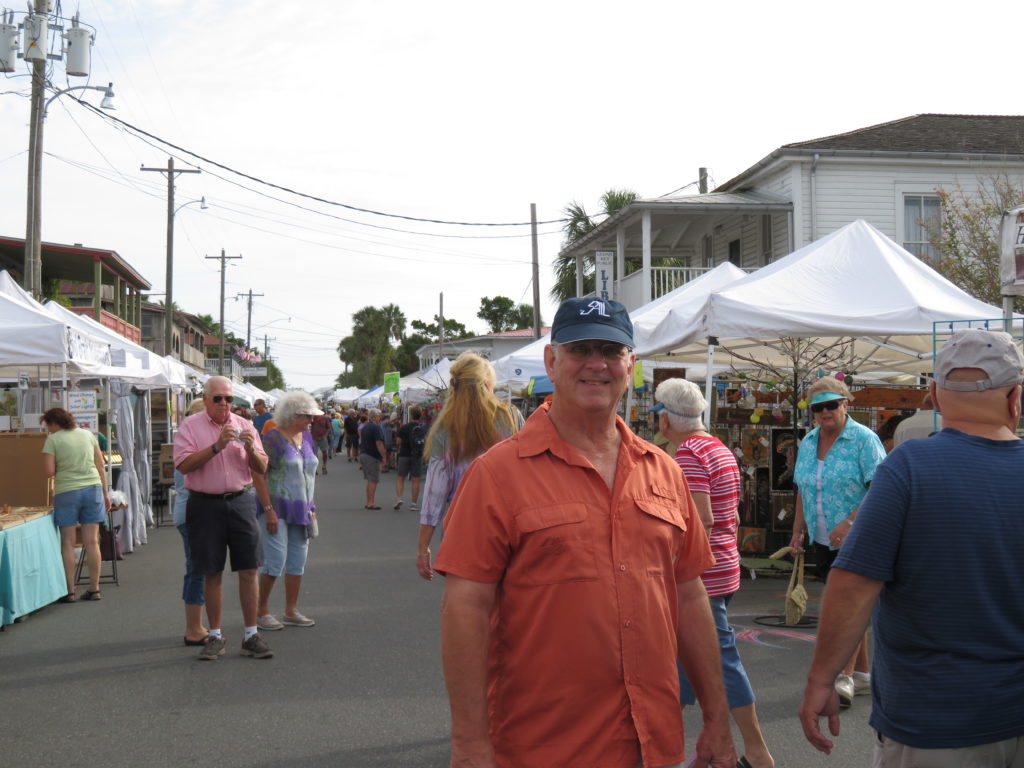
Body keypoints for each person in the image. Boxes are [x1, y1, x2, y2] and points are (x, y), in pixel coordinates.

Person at [433, 298, 736, 768]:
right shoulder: (497, 474)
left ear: (630, 365)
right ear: (552, 361)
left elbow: (690, 597)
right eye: (580, 349)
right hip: (546, 747)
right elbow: (465, 609)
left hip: (654, 742)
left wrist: (717, 718)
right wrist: (470, 743)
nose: (596, 364)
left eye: (611, 350)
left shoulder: (663, 471)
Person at [800, 328, 1024, 764]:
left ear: (936, 396)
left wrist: (822, 679)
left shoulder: (909, 467)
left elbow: (853, 584)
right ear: (1016, 398)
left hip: (934, 720)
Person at [654, 379, 774, 768]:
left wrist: (673, 563)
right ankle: (677, 748)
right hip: (724, 567)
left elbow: (699, 520)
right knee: (685, 657)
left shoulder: (687, 453)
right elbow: (732, 513)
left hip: (703, 576)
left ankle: (757, 752)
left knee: (719, 659)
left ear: (665, 418)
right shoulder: (718, 448)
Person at [788, 378, 886, 708]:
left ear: (846, 403)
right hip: (822, 536)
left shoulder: (864, 439)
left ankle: (842, 675)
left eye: (832, 404)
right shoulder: (809, 441)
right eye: (818, 407)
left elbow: (881, 489)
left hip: (860, 536)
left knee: (847, 609)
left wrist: (849, 522)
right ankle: (861, 676)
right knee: (846, 606)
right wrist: (797, 531)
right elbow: (803, 488)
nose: (825, 412)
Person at [173, 376, 272, 661]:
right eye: (217, 398)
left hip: (240, 501)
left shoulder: (246, 426)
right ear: (205, 400)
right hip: (205, 504)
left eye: (229, 398)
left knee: (249, 569)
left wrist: (251, 448)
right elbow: (183, 464)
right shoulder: (190, 426)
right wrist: (216, 446)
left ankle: (250, 634)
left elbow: (262, 467)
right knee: (211, 571)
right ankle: (214, 635)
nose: (224, 404)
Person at [416, 351, 523, 581]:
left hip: (461, 530)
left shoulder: (444, 429)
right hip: (511, 527)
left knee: (464, 608)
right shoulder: (511, 417)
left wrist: (423, 546)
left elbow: (434, 493)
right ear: (487, 384)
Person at [254, 391, 321, 631]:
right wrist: (268, 508)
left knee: (297, 561)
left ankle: (291, 610)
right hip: (276, 508)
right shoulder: (273, 438)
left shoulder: (307, 437)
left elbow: (309, 472)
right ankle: (260, 611)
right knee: (275, 560)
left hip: (302, 509)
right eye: (306, 416)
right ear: (293, 415)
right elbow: (257, 474)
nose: (310, 420)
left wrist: (311, 505)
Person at [41, 408, 110, 603]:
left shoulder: (53, 440)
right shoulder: (88, 435)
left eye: (48, 425)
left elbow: (48, 472)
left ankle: (70, 590)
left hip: (67, 492)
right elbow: (100, 465)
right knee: (92, 541)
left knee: (67, 542)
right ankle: (94, 589)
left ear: (54, 423)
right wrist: (105, 493)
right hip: (93, 489)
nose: (48, 429)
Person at [174, 398, 212, 645]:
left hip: (185, 509)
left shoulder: (183, 439)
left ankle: (195, 624)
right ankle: (193, 627)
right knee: (198, 570)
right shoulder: (194, 442)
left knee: (196, 569)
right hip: (193, 511)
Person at [393, 405, 425, 511]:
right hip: (417, 456)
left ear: (410, 416)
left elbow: (398, 441)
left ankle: (399, 498)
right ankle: (414, 504)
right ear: (419, 416)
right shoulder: (422, 428)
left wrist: (399, 447)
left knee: (400, 477)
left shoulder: (404, 427)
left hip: (404, 454)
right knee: (416, 480)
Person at [358, 408, 386, 509]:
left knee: (370, 479)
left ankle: (369, 501)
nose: (380, 418)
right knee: (373, 479)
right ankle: (370, 502)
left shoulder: (366, 427)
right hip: (371, 455)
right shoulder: (376, 427)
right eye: (379, 416)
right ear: (376, 417)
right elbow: (379, 443)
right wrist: (384, 456)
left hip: (364, 453)